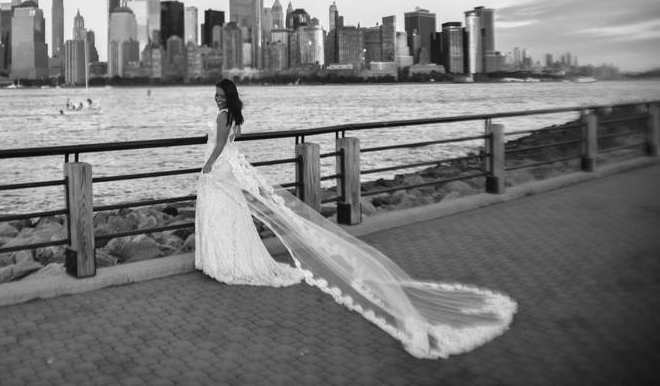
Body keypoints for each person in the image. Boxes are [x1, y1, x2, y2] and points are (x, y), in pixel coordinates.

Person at [195, 79, 517, 359]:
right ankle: (229, 259)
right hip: (227, 168)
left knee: (224, 214)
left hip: (219, 168)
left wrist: (208, 165)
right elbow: (227, 142)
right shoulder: (234, 115)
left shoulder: (225, 116)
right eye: (216, 94)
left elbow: (221, 144)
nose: (217, 98)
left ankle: (226, 261)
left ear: (229, 96)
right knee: (230, 215)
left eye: (221, 94)